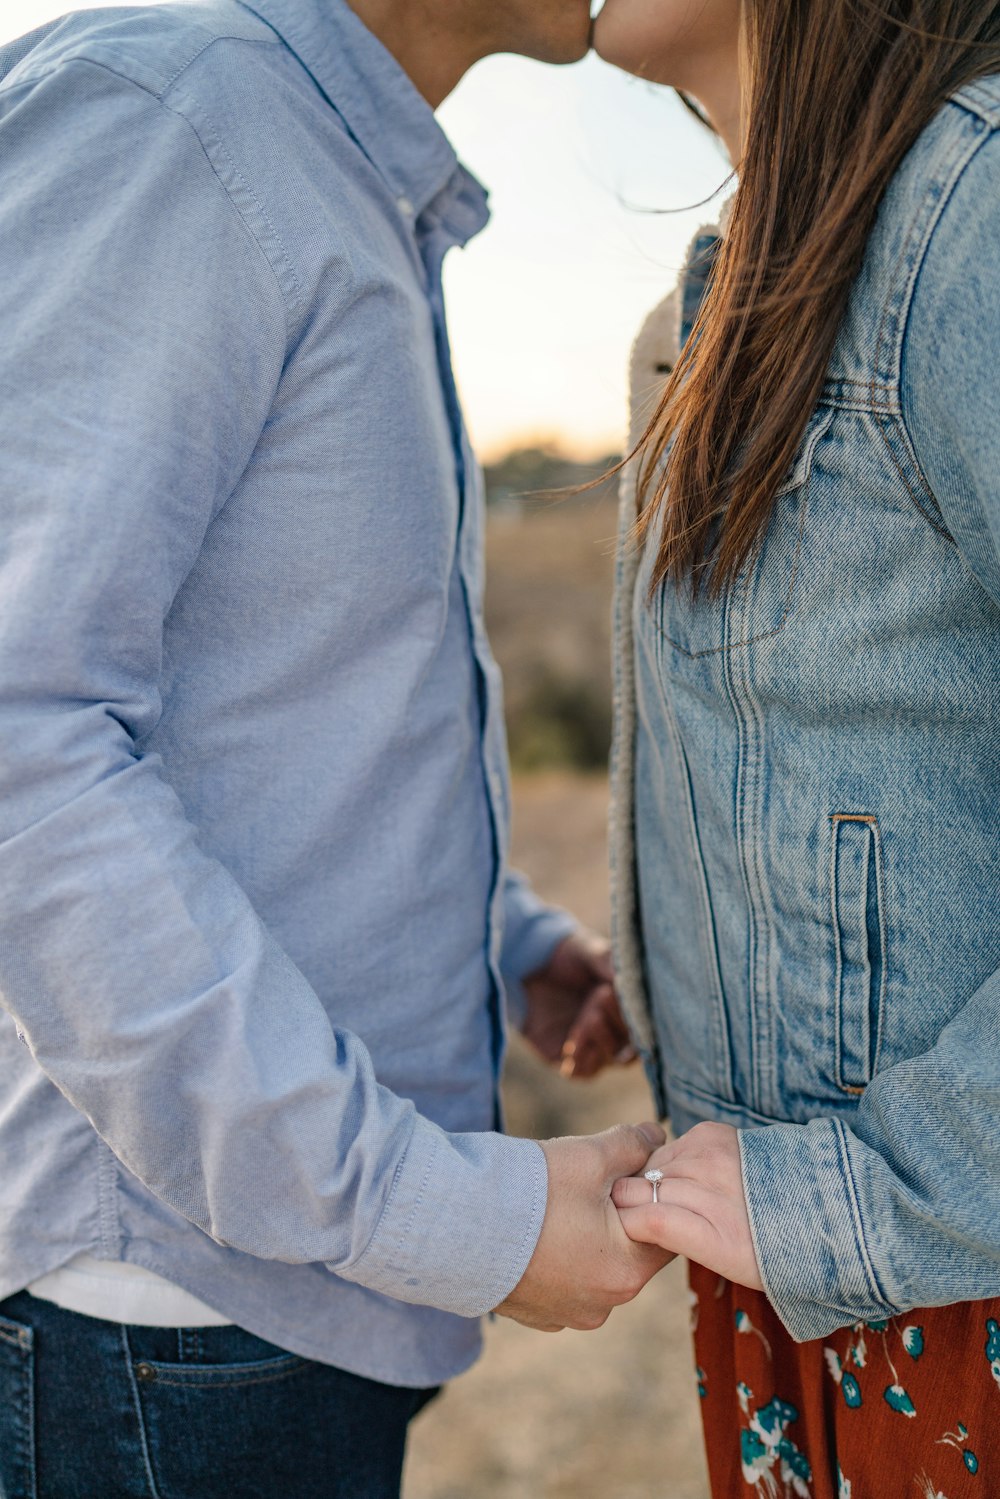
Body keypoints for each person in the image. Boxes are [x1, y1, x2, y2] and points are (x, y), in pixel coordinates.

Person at [0, 2, 670, 1494]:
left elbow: (273, 700)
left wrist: (495, 939)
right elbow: (19, 735)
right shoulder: (178, 124)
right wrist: (446, 1220)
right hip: (167, 1319)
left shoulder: (318, 166)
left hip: (261, 1310)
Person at [593, 0, 1000, 1494]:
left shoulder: (977, 213)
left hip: (952, 1282)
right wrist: (680, 931)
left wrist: (865, 1199)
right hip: (807, 1302)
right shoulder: (702, 310)